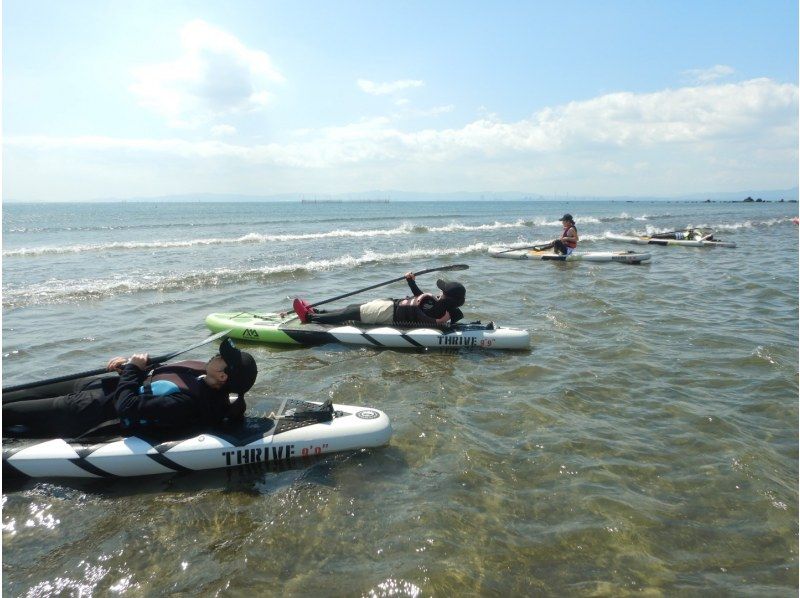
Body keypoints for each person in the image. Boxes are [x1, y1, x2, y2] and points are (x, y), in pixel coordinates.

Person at [3, 339, 258, 439]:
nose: (215, 355)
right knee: (11, 395)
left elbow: (126, 408)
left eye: (221, 357)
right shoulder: (203, 372)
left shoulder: (186, 403)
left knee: (9, 411)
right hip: (97, 385)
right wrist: (128, 367)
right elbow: (158, 375)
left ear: (222, 376)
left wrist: (132, 373)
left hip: (89, 408)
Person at [293, 273, 466, 327]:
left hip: (388, 314)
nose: (440, 292)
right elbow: (418, 298)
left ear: (448, 298)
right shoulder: (439, 306)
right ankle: (318, 312)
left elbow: (422, 306)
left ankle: (309, 318)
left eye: (443, 291)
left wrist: (440, 321)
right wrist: (411, 281)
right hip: (390, 305)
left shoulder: (439, 308)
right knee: (351, 308)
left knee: (349, 313)